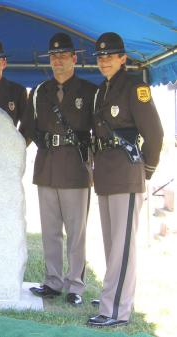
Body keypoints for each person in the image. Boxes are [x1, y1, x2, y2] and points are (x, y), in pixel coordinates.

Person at [87, 32, 163, 327]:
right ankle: (112, 296)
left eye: (110, 56)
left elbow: (154, 135)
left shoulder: (135, 88)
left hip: (127, 174)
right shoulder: (101, 91)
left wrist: (146, 171)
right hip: (106, 174)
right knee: (111, 243)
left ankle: (116, 310)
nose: (104, 61)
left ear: (123, 58)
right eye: (100, 57)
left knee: (122, 246)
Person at [22, 33, 97, 305]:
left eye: (63, 56)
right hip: (47, 168)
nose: (58, 61)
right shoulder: (40, 92)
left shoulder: (89, 91)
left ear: (74, 58)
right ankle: (53, 281)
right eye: (53, 57)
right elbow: (26, 130)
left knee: (76, 232)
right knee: (50, 230)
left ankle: (75, 285)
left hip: (76, 170)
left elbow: (98, 131)